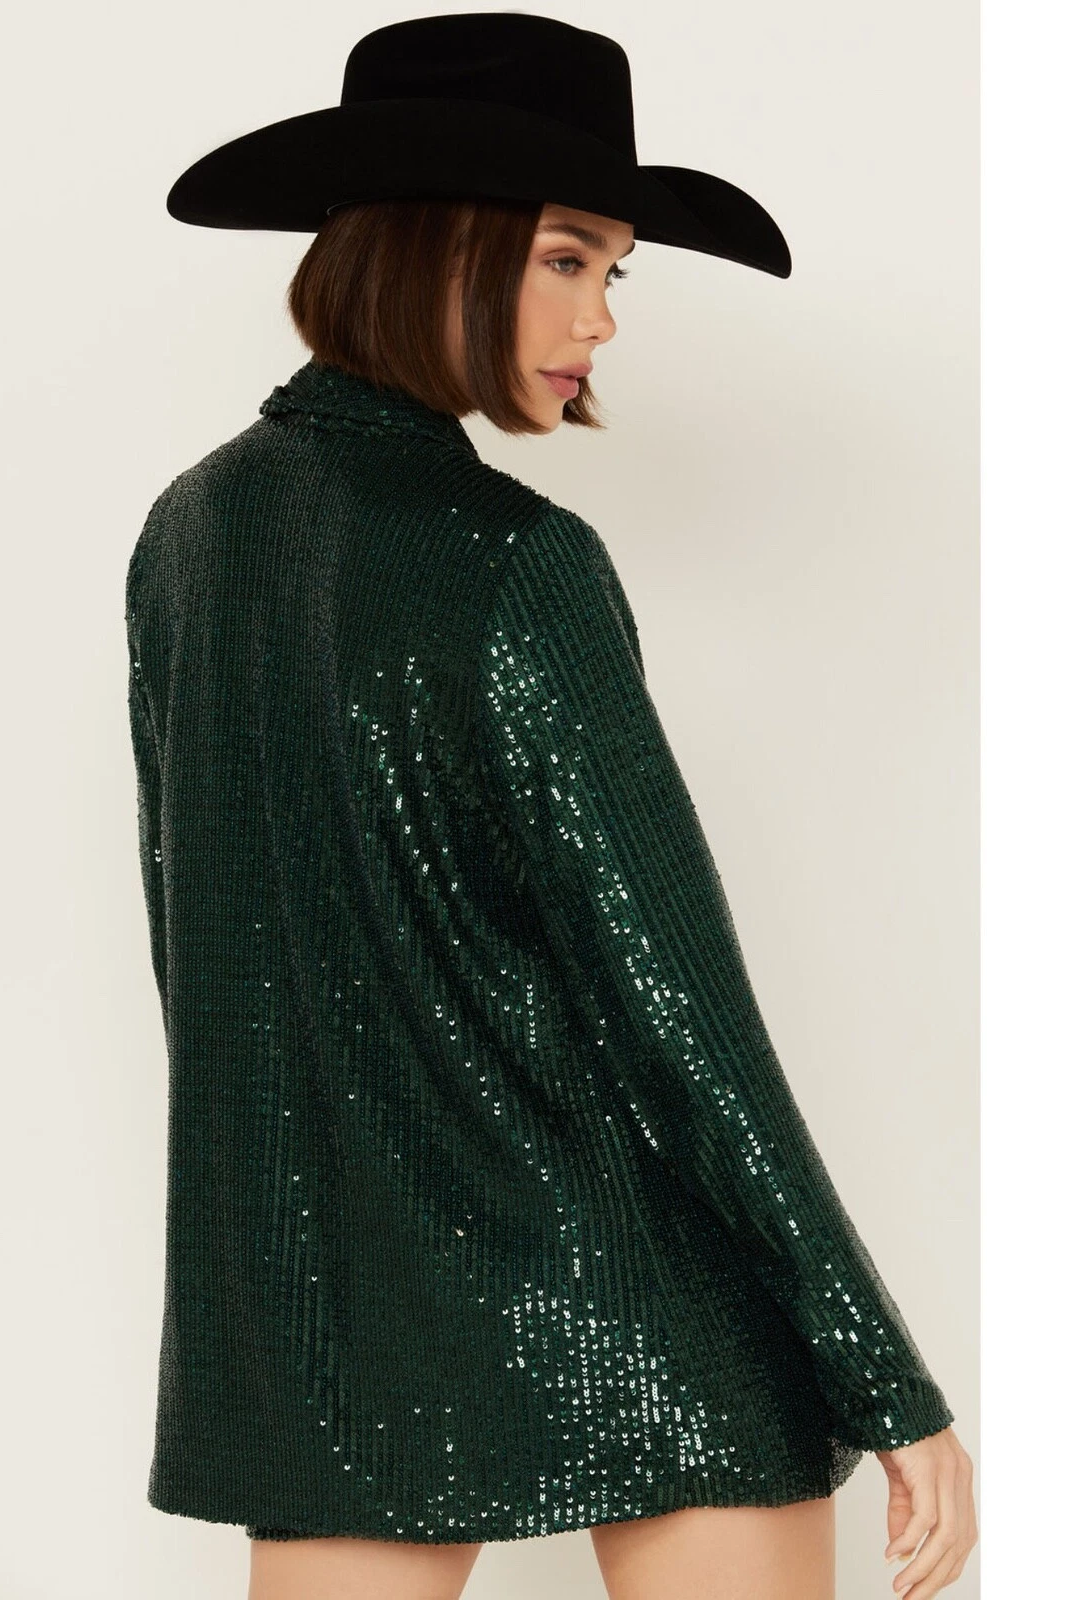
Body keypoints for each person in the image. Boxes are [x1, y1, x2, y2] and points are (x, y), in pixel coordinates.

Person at [126, 14, 977, 1600]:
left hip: (336, 1320)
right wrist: (887, 1380)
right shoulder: (517, 562)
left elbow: (211, 961)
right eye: (568, 258)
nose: (603, 317)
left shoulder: (190, 535)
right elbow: (676, 1009)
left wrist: (296, 1299)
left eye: (615, 271)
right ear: (438, 242)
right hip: (639, 1297)